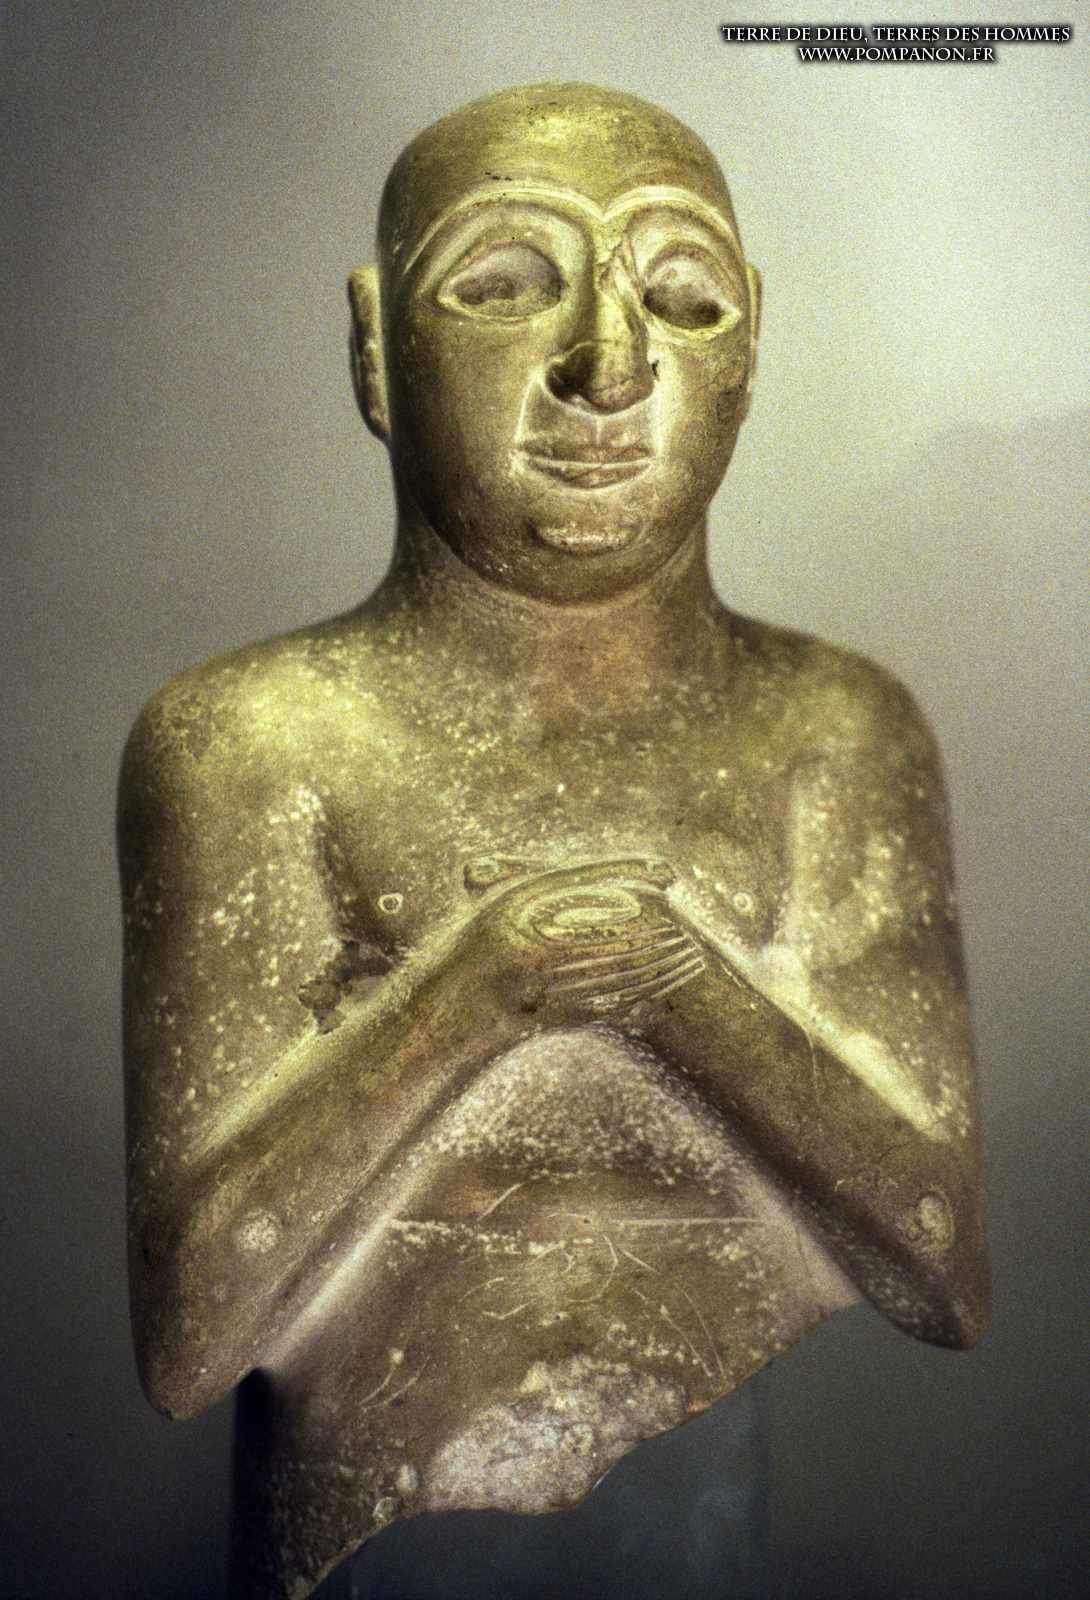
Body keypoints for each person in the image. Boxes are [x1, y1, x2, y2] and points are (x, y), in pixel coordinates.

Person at [119, 83, 987, 1600]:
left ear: (751, 351)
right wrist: (475, 999)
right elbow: (194, 1339)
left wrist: (678, 993)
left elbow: (945, 1272)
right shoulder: (250, 745)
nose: (608, 366)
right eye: (504, 283)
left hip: (692, 1508)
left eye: (683, 295)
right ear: (376, 349)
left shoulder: (834, 732)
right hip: (370, 1522)